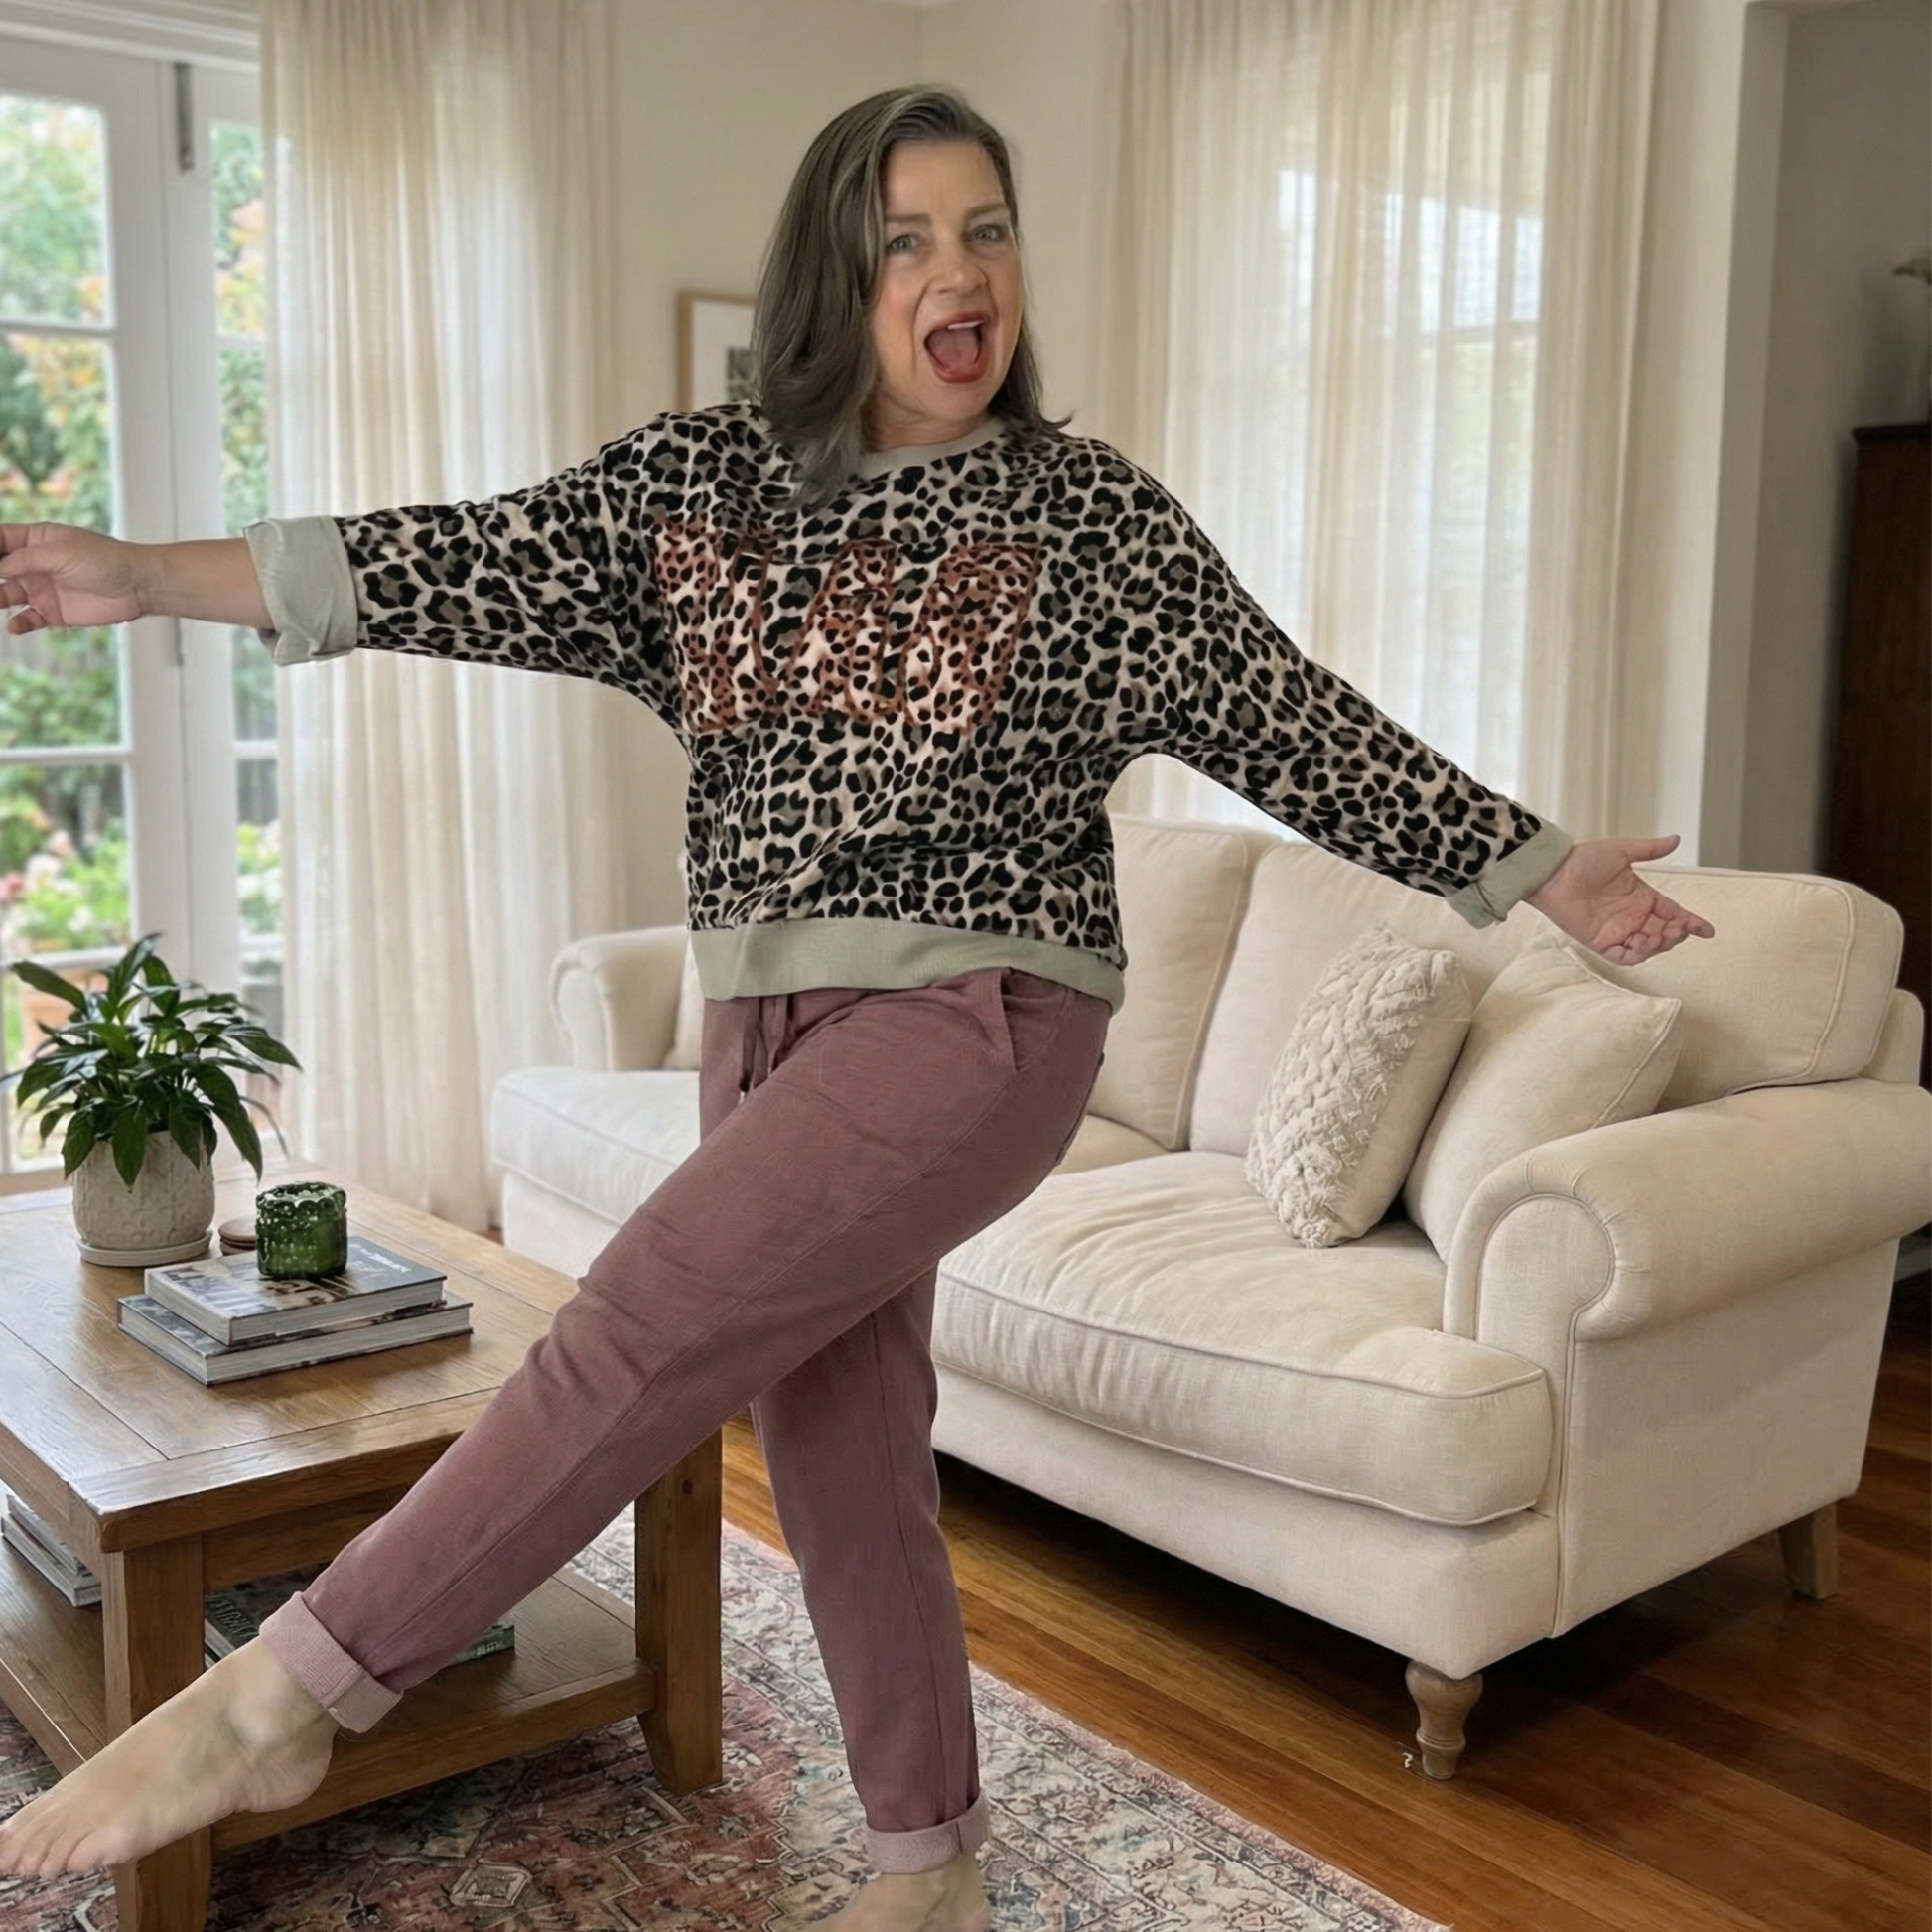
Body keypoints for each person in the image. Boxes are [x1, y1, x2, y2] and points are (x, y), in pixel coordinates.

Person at [0, 85, 1713, 1932]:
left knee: (630, 1328)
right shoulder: (698, 489)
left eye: (986, 230)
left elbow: (1291, 719)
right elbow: (447, 559)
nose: (957, 273)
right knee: (841, 1445)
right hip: (760, 1022)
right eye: (906, 241)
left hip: (978, 1010)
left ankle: (289, 1693)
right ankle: (929, 1861)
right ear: (838, 275)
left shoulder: (1087, 517)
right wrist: (142, 579)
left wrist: (1536, 864)